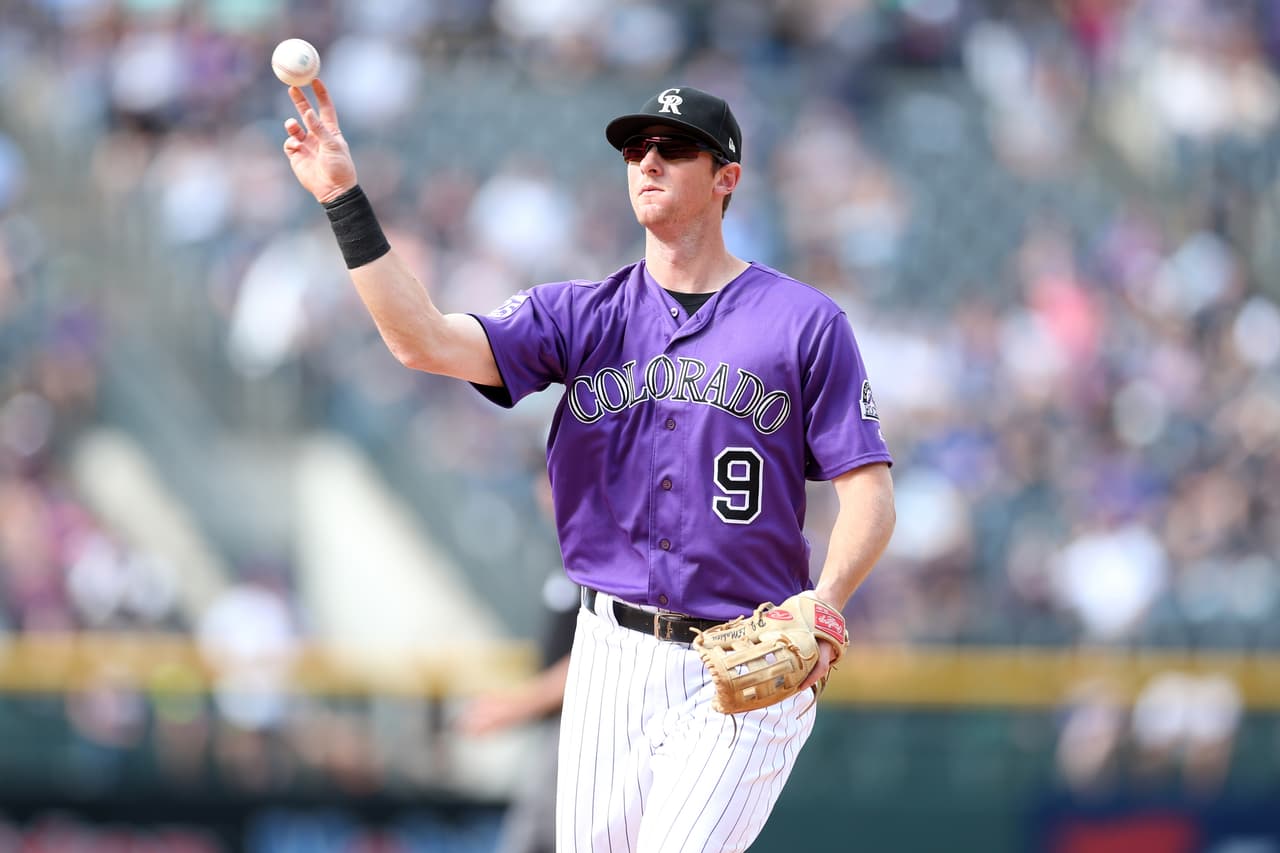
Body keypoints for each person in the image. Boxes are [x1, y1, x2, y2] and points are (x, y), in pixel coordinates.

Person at [281, 80, 896, 852]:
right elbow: (422, 341)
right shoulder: (581, 315)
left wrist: (828, 600)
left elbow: (868, 493)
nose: (648, 161)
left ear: (726, 177)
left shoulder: (805, 323)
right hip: (608, 656)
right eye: (636, 148)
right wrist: (342, 196)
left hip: (746, 658)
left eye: (673, 149)